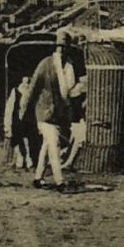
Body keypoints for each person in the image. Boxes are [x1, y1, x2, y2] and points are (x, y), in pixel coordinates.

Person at [23, 32, 78, 191]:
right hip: (44, 113)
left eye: (65, 47)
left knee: (47, 146)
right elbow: (33, 89)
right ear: (56, 47)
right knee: (54, 144)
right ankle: (60, 181)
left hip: (59, 115)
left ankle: (38, 177)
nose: (62, 50)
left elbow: (69, 91)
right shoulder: (45, 64)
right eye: (60, 47)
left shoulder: (69, 67)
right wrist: (24, 111)